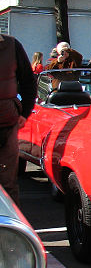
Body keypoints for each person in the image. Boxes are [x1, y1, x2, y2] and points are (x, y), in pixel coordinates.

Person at [0, 34, 36, 204]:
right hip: (8, 119)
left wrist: (25, 112)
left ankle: (10, 227)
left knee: (8, 183)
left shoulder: (12, 45)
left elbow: (28, 80)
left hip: (7, 123)